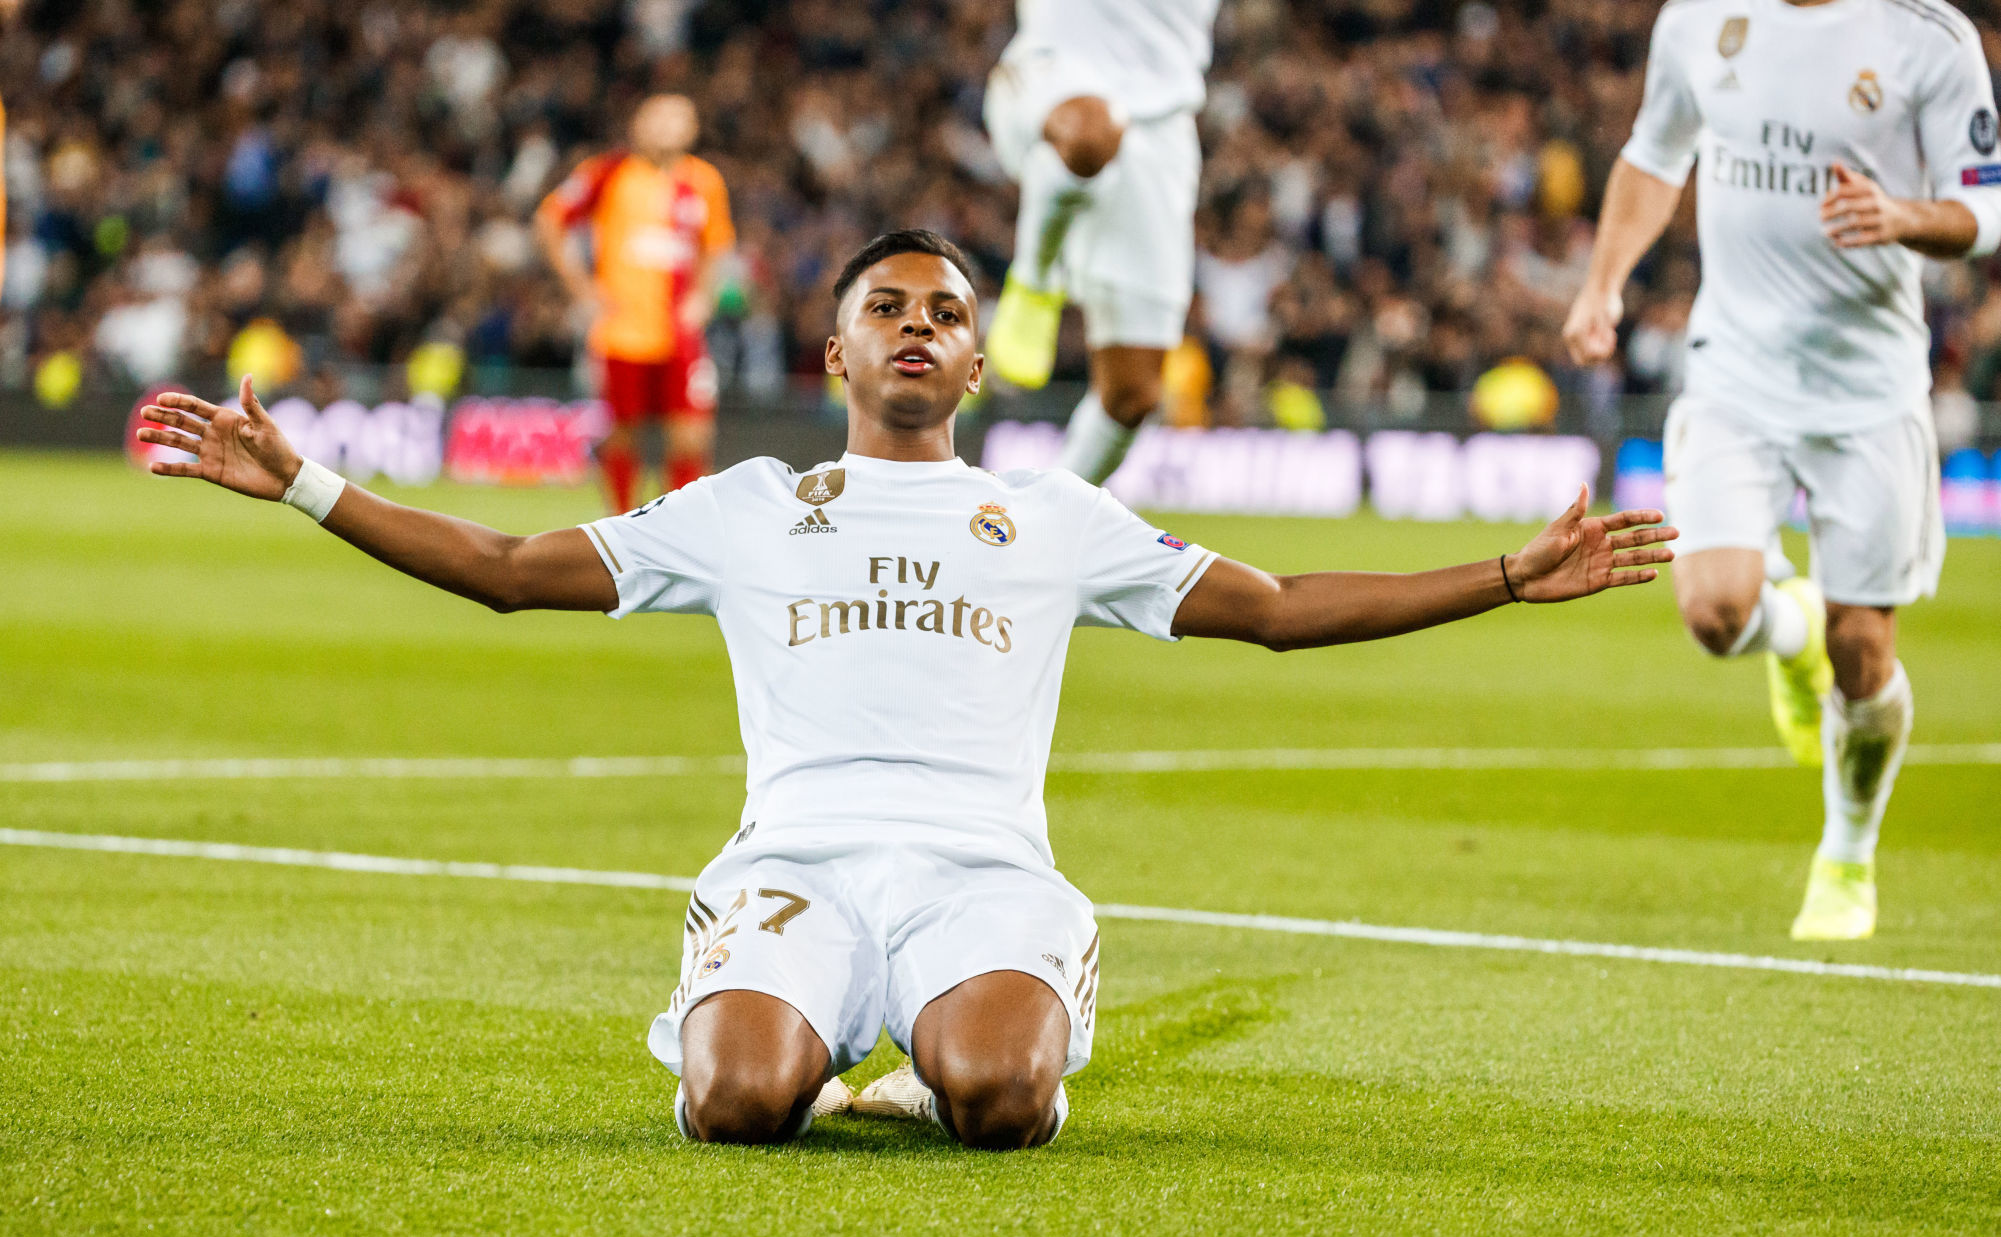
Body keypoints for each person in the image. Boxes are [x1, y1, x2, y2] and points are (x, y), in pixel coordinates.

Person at [138, 230, 1673, 1149]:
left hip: (979, 876)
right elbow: (506, 566)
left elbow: (1274, 612)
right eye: (889, 307)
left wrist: (1505, 574)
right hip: (796, 869)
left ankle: (961, 1053)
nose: (919, 327)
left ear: (977, 366)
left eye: (944, 312)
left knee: (1000, 1100)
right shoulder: (748, 505)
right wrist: (308, 483)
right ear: (835, 352)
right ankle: (789, 1037)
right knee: (736, 1108)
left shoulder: (1053, 515)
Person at [1562, 0, 1999, 940]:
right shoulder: (1697, 19)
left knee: (1863, 649)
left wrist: (1902, 215)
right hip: (1733, 373)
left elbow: (1988, 205)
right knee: (1712, 612)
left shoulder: (1927, 38)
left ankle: (1846, 851)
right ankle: (1788, 628)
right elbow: (1652, 156)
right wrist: (1601, 284)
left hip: (1868, 392)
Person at [982, 0, 1220, 484]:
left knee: (1134, 394)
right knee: (1090, 130)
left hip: (1162, 123)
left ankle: (1046, 517)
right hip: (1051, 69)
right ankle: (1035, 278)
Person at [536, 93, 734, 513]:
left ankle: (679, 524)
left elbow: (716, 246)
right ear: (637, 125)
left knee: (692, 435)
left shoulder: (705, 181)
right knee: (622, 433)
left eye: (677, 118)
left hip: (680, 333)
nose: (665, 126)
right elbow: (550, 219)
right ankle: (623, 522)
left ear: (692, 129)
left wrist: (702, 296)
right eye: (656, 117)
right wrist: (581, 288)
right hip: (620, 331)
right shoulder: (606, 173)